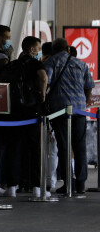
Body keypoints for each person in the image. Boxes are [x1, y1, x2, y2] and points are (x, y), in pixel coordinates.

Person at [0, 36, 48, 198]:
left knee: (14, 148)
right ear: (32, 49)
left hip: (13, 111)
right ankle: (37, 187)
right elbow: (43, 77)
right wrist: (42, 96)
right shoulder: (35, 63)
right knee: (35, 148)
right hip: (31, 110)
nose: (39, 52)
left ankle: (12, 185)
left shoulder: (13, 64)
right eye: (38, 49)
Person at [44, 38, 95, 195]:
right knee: (80, 146)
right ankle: (80, 183)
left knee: (64, 146)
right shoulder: (81, 64)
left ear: (54, 49)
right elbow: (89, 86)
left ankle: (68, 183)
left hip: (60, 110)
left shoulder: (51, 62)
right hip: (79, 110)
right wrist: (84, 103)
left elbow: (46, 81)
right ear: (67, 48)